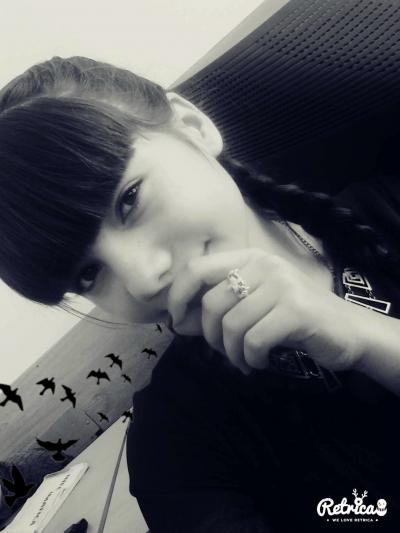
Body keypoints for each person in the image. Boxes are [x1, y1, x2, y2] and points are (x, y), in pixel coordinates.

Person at [0, 55, 399, 532]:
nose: (142, 280)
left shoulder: (389, 208)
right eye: (87, 275)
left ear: (193, 127)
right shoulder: (172, 445)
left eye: (129, 199)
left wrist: (364, 336)